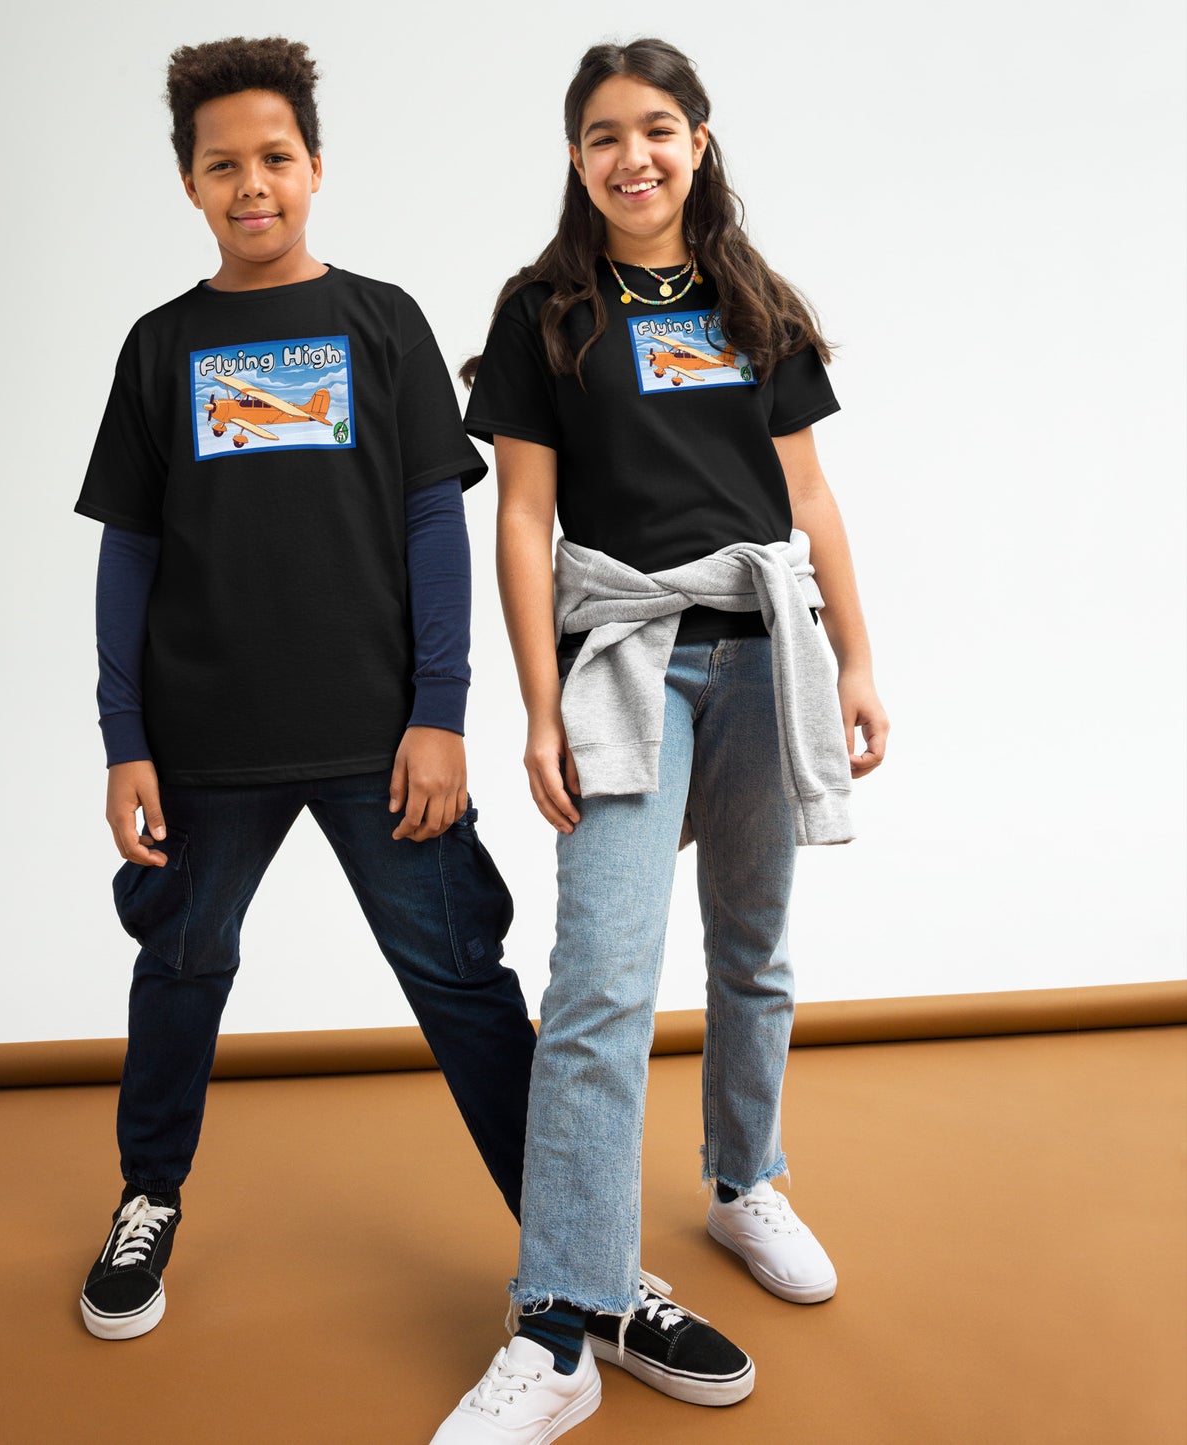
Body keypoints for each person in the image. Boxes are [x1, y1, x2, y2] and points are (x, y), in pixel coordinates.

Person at [71, 39, 746, 1403]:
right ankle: (148, 1194)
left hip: (384, 747)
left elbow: (436, 530)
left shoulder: (380, 324)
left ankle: (590, 1270)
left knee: (467, 993)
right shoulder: (159, 347)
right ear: (189, 184)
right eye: (222, 164)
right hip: (203, 746)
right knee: (181, 965)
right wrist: (123, 736)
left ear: (314, 167)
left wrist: (440, 715)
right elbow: (129, 553)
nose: (251, 184)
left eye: (275, 157)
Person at [431, 37, 889, 1443]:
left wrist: (857, 656)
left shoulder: (755, 301)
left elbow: (809, 499)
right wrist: (535, 705)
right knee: (600, 983)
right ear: (576, 160)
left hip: (765, 656)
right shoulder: (544, 312)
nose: (631, 156)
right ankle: (560, 1322)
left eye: (655, 129)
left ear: (697, 141)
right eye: (602, 137)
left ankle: (745, 1182)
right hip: (629, 658)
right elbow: (522, 519)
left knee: (753, 945)